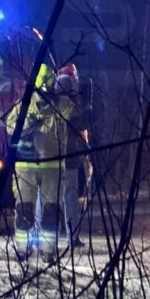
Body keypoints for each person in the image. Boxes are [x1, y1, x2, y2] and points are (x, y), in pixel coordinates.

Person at [7, 63, 65, 256]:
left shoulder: (61, 104)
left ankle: (48, 250)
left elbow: (78, 117)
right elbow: (10, 127)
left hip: (52, 166)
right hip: (26, 165)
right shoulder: (24, 104)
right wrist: (28, 124)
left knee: (51, 209)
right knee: (24, 209)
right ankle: (23, 249)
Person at [55, 63, 90, 249]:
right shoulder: (72, 107)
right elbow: (82, 127)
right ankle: (72, 236)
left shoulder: (49, 103)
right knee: (70, 197)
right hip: (69, 158)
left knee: (46, 198)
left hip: (51, 158)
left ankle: (41, 237)